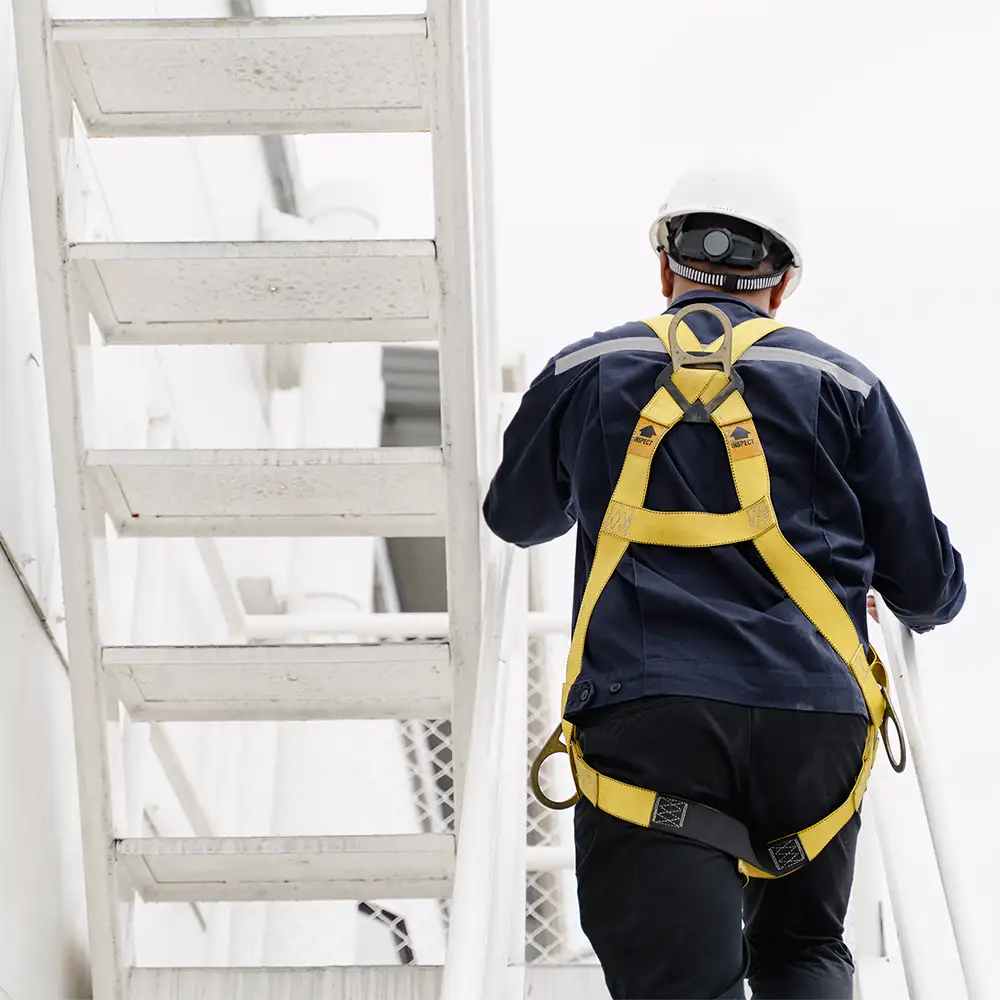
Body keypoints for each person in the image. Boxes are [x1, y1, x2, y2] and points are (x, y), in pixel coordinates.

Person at [482, 164, 965, 1000]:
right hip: (814, 721)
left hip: (648, 720)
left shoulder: (586, 368)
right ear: (784, 287)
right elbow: (927, 586)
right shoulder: (846, 385)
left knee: (680, 981)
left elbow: (518, 517)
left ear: (664, 269)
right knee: (805, 950)